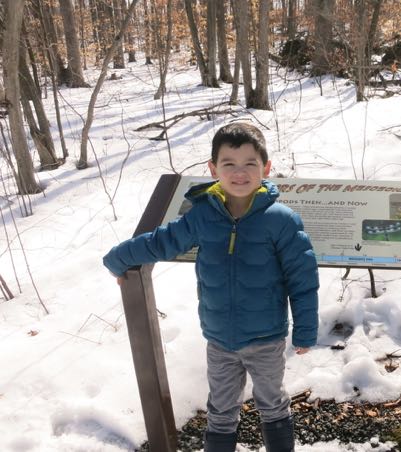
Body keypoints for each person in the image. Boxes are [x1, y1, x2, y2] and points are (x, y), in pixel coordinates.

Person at [103, 122, 319, 452]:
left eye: (250, 163)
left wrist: (305, 330)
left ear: (267, 168)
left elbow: (302, 279)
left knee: (272, 404)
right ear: (213, 169)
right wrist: (119, 258)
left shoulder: (281, 220)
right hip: (220, 340)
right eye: (229, 164)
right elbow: (165, 241)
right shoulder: (204, 214)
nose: (240, 173)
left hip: (266, 339)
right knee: (220, 410)